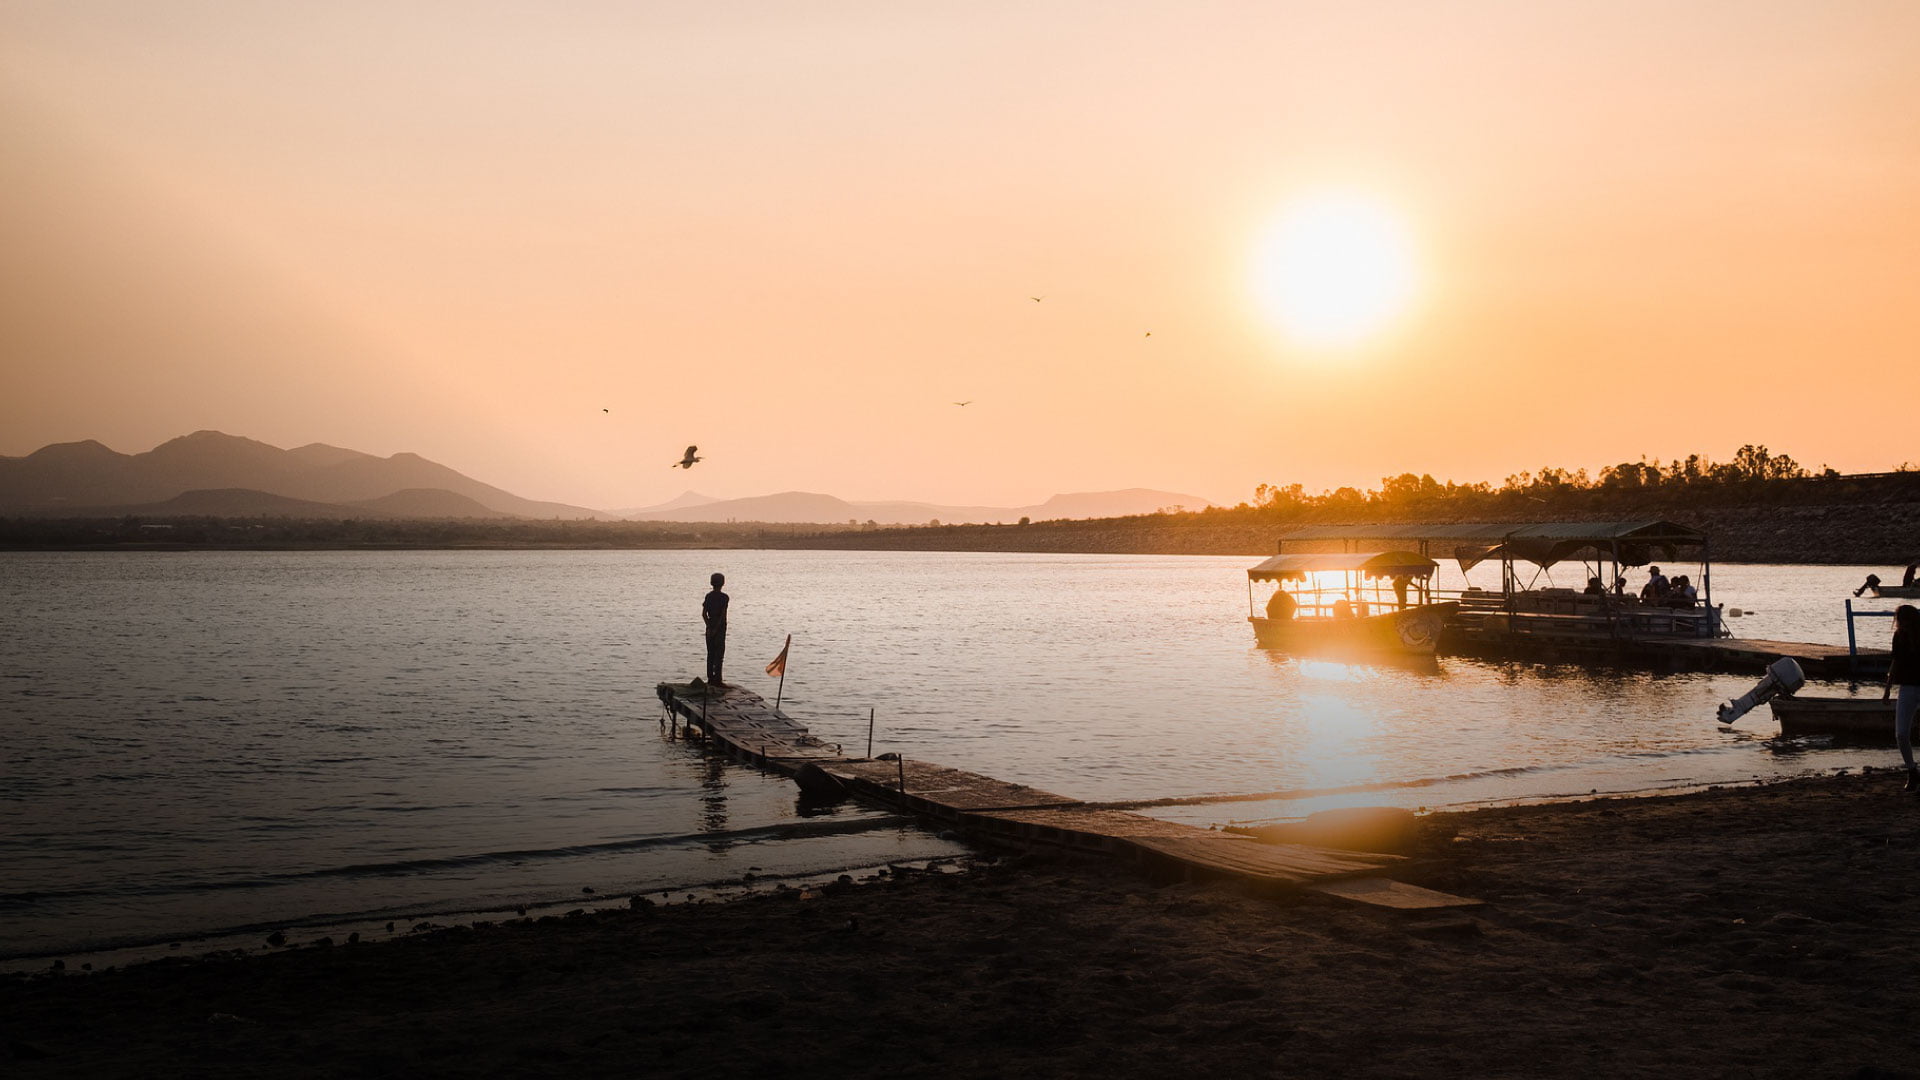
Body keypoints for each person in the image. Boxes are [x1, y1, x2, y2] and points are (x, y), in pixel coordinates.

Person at [1884, 605, 1920, 791]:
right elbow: (1895, 662)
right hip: (1906, 686)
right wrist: (1887, 689)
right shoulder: (1899, 637)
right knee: (1901, 733)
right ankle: (1912, 770)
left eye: (1903, 619)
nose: (1900, 623)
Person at [701, 572, 729, 685]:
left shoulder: (709, 596)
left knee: (710, 654)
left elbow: (704, 614)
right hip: (720, 630)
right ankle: (718, 680)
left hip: (709, 629)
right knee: (719, 655)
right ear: (723, 583)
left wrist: (709, 627)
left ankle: (710, 679)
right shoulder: (724, 598)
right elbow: (722, 616)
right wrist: (716, 629)